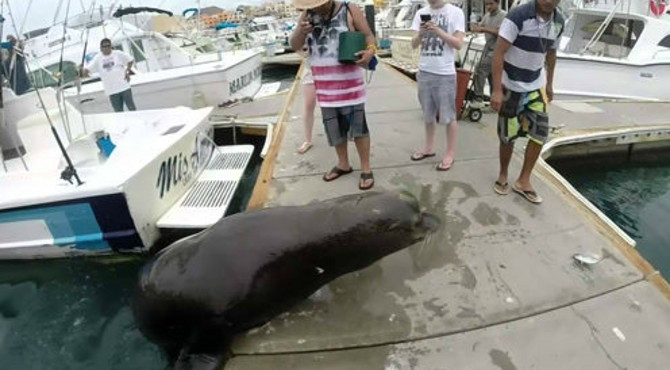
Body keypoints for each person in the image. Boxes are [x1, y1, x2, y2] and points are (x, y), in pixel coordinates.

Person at [290, 0, 376, 190]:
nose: (317, 7)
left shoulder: (349, 8)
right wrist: (302, 32)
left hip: (350, 86)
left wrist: (370, 52)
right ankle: (343, 164)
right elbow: (294, 44)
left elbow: (369, 35)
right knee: (334, 129)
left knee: (359, 129)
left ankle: (366, 168)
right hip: (324, 87)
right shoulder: (307, 14)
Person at [491, 0, 564, 204]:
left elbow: (551, 53)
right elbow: (498, 52)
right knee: (508, 136)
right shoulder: (518, 15)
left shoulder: (559, 21)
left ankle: (524, 180)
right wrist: (497, 90)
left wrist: (549, 84)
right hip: (510, 86)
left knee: (540, 134)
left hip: (535, 86)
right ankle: (503, 174)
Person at [409, 0, 465, 171]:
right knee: (427, 114)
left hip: (445, 73)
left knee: (449, 116)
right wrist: (421, 33)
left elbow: (458, 44)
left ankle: (450, 153)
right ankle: (428, 148)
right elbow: (413, 44)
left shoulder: (455, 12)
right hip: (425, 71)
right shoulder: (420, 13)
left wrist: (438, 31)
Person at [81, 38, 136, 112]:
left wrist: (127, 72)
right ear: (101, 48)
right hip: (112, 91)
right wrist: (83, 71)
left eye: (108, 46)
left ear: (111, 46)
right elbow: (88, 70)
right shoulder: (97, 58)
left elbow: (130, 60)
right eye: (104, 46)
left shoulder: (118, 53)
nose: (106, 48)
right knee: (118, 111)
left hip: (124, 87)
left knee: (131, 108)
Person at [470, 0, 506, 102]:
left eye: (491, 4)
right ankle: (494, 100)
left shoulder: (503, 16)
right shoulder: (487, 16)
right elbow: (481, 26)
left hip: (497, 50)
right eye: (486, 4)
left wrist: (483, 29)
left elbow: (501, 32)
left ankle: (478, 97)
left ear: (498, 3)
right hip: (488, 48)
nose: (488, 7)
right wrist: (475, 28)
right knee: (492, 75)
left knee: (480, 69)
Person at [297, 48, 317, 154]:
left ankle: (349, 131)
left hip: (332, 68)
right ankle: (307, 140)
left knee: (338, 102)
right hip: (311, 69)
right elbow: (295, 43)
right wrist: (302, 52)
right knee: (309, 105)